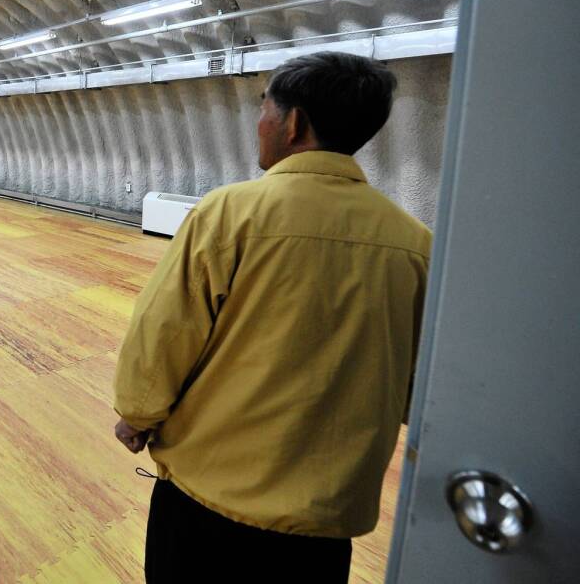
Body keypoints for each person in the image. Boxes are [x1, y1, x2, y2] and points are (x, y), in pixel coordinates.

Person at [113, 51, 431, 582]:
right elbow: (418, 387)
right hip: (323, 524)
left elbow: (165, 333)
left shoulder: (228, 213)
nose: (257, 123)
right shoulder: (416, 245)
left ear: (293, 123)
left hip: (210, 503)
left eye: (264, 108)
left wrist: (138, 415)